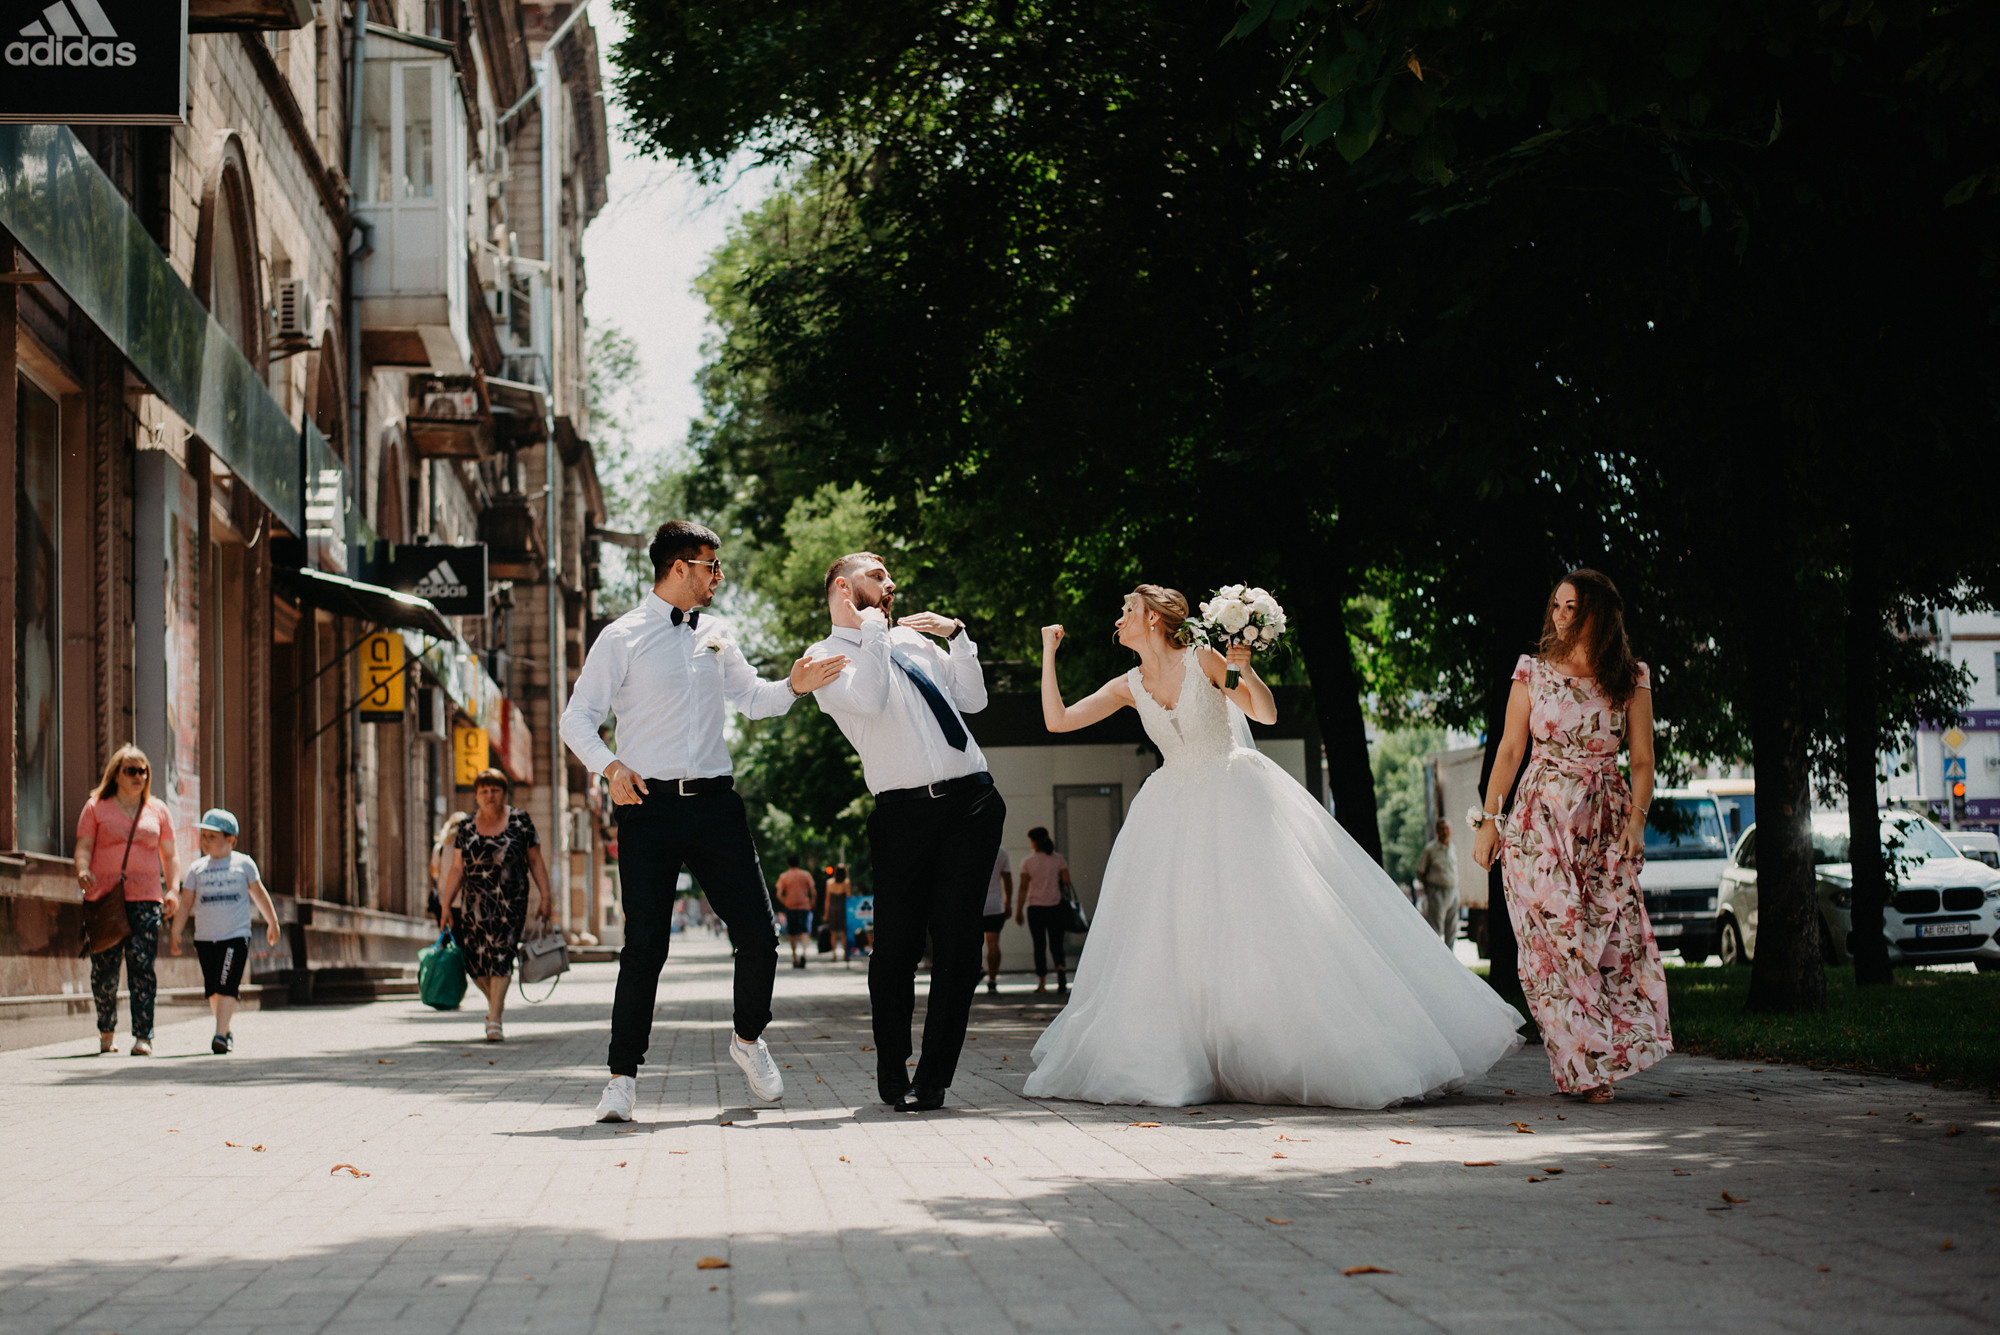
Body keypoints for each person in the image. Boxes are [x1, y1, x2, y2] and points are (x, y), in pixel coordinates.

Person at [1024, 586, 1525, 1108]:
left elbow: (1262, 713)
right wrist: (1048, 654)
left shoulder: (1203, 659)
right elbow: (1057, 720)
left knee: (1264, 919)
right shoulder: (1129, 685)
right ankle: (1198, 1051)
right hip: (1170, 809)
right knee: (1177, 930)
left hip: (1233, 794)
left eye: (1128, 610)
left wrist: (1242, 667)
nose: (1120, 618)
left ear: (1153, 620)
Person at [561, 520, 848, 1123]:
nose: (719, 577)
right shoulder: (622, 636)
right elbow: (577, 718)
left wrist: (793, 687)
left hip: (717, 803)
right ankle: (621, 1079)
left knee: (760, 934)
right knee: (645, 947)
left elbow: (751, 700)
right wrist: (609, 766)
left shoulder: (717, 633)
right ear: (679, 567)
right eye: (711, 566)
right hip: (647, 806)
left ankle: (748, 1040)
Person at [805, 551, 1006, 1112]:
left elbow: (973, 701)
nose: (891, 585)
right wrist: (872, 634)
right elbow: (867, 699)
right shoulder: (822, 659)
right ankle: (893, 1075)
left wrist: (959, 638)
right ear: (844, 588)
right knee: (894, 950)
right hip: (902, 814)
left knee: (959, 948)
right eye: (878, 576)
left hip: (972, 801)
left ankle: (934, 1080)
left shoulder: (917, 643)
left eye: (891, 575)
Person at [1472, 569, 1672, 1104]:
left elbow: (1644, 761)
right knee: (1551, 948)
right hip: (1538, 827)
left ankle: (1589, 1057)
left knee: (1600, 944)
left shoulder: (1630, 678)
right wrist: (1489, 820)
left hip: (1603, 826)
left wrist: (1636, 823)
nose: (1559, 616)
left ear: (1597, 616)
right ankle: (1585, 1068)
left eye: (1571, 608)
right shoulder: (1532, 672)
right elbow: (1510, 751)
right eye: (1556, 606)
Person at [74, 745, 180, 1056]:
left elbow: (170, 855)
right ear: (116, 774)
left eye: (143, 771)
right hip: (105, 898)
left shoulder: (158, 810)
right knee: (104, 972)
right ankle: (106, 1031)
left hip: (146, 899)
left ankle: (142, 1036)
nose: (138, 776)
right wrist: (82, 870)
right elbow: (83, 847)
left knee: (142, 968)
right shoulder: (96, 807)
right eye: (131, 770)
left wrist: (173, 889)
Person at [437, 769, 552, 1044]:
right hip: (474, 905)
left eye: (495, 790)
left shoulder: (520, 821)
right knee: (475, 963)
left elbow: (535, 861)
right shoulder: (465, 827)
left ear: (504, 792)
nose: (490, 796)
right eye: (484, 791)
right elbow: (456, 870)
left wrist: (546, 896)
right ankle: (495, 1005)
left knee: (501, 957)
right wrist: (445, 904)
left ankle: (494, 1020)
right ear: (476, 795)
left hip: (511, 904)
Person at [168, 808, 281, 1053]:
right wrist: (176, 932)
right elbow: (186, 902)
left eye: (212, 836)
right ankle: (225, 1026)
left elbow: (259, 894)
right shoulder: (197, 869)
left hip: (235, 936)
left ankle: (219, 1034)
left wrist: (272, 922)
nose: (205, 841)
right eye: (203, 836)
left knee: (227, 983)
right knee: (213, 988)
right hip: (206, 938)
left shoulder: (243, 864)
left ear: (231, 839)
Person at [1014, 829, 1071, 995]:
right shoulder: (1058, 859)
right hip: (1055, 906)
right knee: (1056, 943)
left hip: (1036, 908)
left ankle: (1042, 983)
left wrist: (1019, 910)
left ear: (1033, 842)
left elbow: (1023, 887)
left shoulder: (1027, 862)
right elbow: (1067, 880)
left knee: (1039, 945)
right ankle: (1061, 970)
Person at [1413, 820, 1460, 946]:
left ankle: (1450, 957)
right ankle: (1437, 957)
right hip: (1437, 890)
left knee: (1452, 927)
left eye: (1446, 829)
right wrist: (1429, 889)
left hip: (1452, 890)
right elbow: (1421, 871)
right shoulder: (1430, 849)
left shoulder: (1452, 847)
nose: (1444, 832)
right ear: (1437, 831)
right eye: (1441, 829)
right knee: (1436, 927)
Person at [775, 855, 816, 969]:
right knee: (804, 930)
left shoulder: (784, 876)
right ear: (799, 863)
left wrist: (786, 902)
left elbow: (778, 894)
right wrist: (812, 902)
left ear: (788, 864)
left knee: (792, 932)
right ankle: (803, 952)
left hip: (790, 906)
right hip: (804, 906)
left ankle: (795, 957)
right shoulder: (806, 875)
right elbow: (813, 891)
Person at [427, 810, 468, 922]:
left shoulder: (440, 848)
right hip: (465, 903)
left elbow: (434, 871)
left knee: (448, 937)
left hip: (443, 901)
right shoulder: (468, 846)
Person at [982, 845, 1012, 994]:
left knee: (969, 944)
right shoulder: (1001, 852)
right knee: (993, 943)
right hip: (995, 905)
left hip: (973, 906)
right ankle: (992, 980)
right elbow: (1007, 879)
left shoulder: (969, 846)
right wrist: (1008, 903)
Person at [824, 863, 851, 962]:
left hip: (832, 909)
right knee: (844, 933)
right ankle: (845, 954)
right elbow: (848, 897)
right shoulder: (846, 883)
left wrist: (826, 913)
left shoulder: (829, 882)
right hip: (843, 909)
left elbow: (827, 899)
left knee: (833, 934)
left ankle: (834, 955)